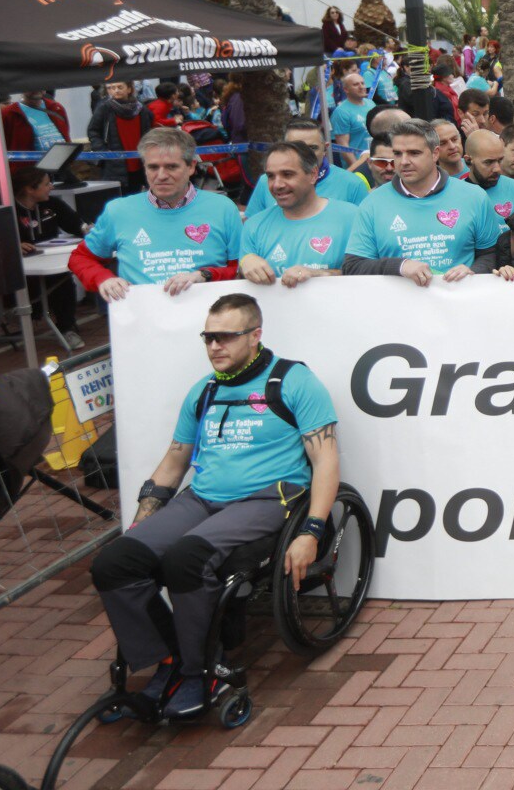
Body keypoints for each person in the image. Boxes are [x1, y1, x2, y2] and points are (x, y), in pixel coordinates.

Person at [90, 293, 338, 719]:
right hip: (203, 499)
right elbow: (174, 459)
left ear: (256, 335)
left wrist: (311, 531)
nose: (214, 347)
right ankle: (168, 656)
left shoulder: (293, 382)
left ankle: (199, 670)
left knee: (188, 558)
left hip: (267, 499)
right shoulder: (203, 391)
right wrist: (143, 521)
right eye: (208, 337)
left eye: (225, 337)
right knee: (114, 562)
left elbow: (326, 460)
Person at [71, 127, 242, 301]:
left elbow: (239, 269)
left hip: (210, 317)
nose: (161, 176)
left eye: (171, 167)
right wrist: (103, 279)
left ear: (191, 167)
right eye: (153, 167)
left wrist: (205, 275)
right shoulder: (119, 211)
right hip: (144, 319)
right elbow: (81, 258)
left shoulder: (223, 208)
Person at [342, 119, 502, 285]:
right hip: (398, 307)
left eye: (414, 153)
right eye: (397, 154)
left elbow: (492, 254)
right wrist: (400, 266)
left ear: (435, 153)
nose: (404, 161)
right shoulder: (372, 203)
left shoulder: (474, 196)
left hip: (458, 305)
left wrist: (473, 272)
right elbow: (353, 267)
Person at [238, 142, 358, 287]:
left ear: (313, 174)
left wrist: (320, 274)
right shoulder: (254, 225)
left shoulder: (352, 217)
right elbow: (243, 287)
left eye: (287, 174)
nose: (277, 184)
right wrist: (245, 265)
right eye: (270, 176)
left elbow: (370, 275)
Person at [11, 164, 88, 344]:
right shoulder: (8, 209)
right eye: (47, 184)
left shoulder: (52, 204)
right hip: (21, 269)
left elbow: (76, 224)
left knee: (63, 279)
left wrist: (87, 229)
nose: (51, 187)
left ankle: (67, 328)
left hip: (50, 262)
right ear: (30, 189)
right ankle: (33, 315)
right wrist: (14, 245)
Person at [88, 80, 155, 189]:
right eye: (111, 88)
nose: (116, 91)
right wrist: (103, 150)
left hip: (139, 161)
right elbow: (93, 131)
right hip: (114, 163)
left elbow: (149, 132)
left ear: (129, 89)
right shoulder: (104, 108)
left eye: (120, 87)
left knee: (136, 195)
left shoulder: (141, 109)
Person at [464, 128, 514, 223]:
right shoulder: (455, 194)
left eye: (500, 160)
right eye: (489, 162)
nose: (497, 168)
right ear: (468, 161)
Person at [1, 90, 70, 151]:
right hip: (28, 164)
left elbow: (66, 136)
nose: (35, 87)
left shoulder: (56, 108)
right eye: (30, 83)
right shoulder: (9, 114)